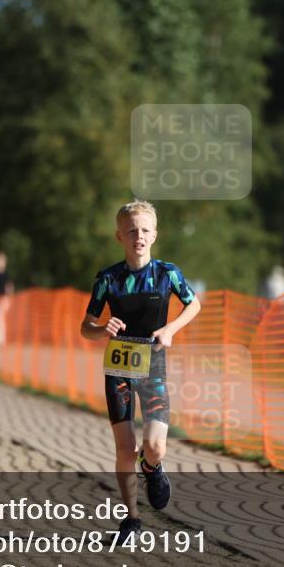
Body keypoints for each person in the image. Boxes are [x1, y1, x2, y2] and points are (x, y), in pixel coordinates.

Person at [80, 200, 201, 544]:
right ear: (120, 236)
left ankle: (153, 468)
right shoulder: (108, 278)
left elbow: (194, 304)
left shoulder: (168, 273)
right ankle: (132, 520)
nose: (139, 236)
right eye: (132, 230)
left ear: (155, 235)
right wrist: (102, 329)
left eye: (145, 229)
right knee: (125, 448)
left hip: (154, 363)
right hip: (118, 365)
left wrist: (171, 329)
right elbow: (85, 327)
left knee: (154, 446)